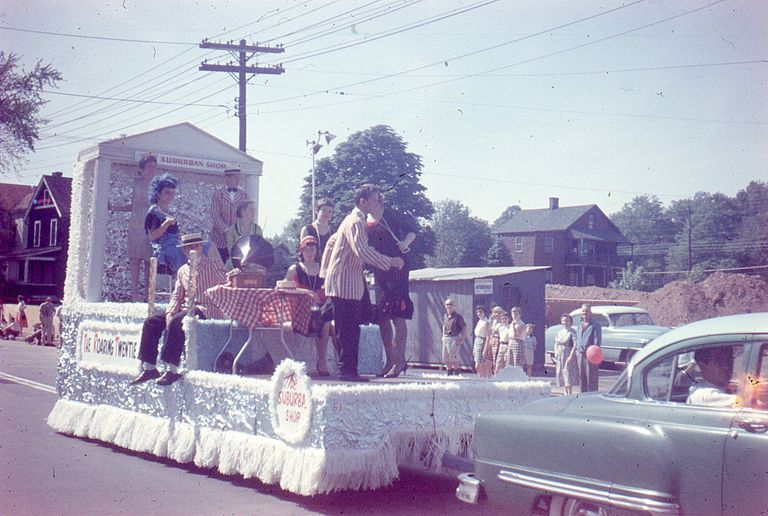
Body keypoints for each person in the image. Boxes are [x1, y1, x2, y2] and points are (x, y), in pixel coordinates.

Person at [319, 184, 404, 382]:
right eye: (375, 200)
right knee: (348, 327)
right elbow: (362, 251)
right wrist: (390, 262)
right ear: (363, 202)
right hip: (345, 281)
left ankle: (347, 368)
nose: (379, 203)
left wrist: (325, 273)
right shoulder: (356, 222)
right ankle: (346, 371)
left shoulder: (353, 220)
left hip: (349, 281)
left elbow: (332, 242)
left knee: (354, 322)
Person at [129, 233, 226, 386]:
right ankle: (149, 367)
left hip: (206, 308)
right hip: (185, 307)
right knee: (152, 321)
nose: (192, 250)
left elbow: (225, 282)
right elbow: (176, 295)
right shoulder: (182, 270)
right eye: (189, 247)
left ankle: (172, 369)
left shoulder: (212, 264)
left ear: (201, 247)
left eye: (195, 246)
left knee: (177, 321)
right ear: (184, 250)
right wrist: (169, 312)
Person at [366, 204, 416, 378]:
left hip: (398, 266)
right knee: (382, 315)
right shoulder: (364, 219)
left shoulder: (390, 213)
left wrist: (405, 243)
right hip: (380, 268)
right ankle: (390, 359)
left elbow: (412, 230)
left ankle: (401, 359)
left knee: (397, 313)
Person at [284, 235, 333, 377]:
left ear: (317, 251)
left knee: (333, 323)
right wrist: (306, 293)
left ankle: (342, 365)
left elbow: (331, 290)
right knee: (325, 321)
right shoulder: (295, 269)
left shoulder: (324, 268)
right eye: (307, 249)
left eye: (313, 249)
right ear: (301, 251)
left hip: (322, 310)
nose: (310, 252)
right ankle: (322, 361)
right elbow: (284, 288)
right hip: (302, 313)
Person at [110, 154, 157, 301]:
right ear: (142, 168)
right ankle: (134, 296)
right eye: (149, 166)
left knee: (149, 262)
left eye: (154, 167)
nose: (152, 170)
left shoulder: (157, 186)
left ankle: (149, 298)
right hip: (136, 226)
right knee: (135, 260)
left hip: (151, 227)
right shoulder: (135, 184)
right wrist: (115, 207)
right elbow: (132, 205)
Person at [145, 173, 186, 274]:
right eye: (167, 192)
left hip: (174, 246)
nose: (171, 196)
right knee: (182, 256)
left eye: (173, 193)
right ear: (158, 193)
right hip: (163, 249)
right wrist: (166, 224)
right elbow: (152, 237)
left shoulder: (170, 211)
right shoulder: (154, 212)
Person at [211, 167, 248, 264]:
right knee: (219, 265)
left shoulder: (243, 195)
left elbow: (246, 215)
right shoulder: (218, 194)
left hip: (237, 239)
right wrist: (226, 231)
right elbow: (215, 215)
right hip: (220, 240)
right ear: (227, 178)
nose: (237, 180)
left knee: (235, 267)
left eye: (238, 177)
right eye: (234, 177)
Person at [224, 200, 263, 270]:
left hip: (253, 264)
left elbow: (260, 248)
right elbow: (231, 249)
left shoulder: (257, 229)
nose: (254, 212)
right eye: (251, 209)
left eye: (255, 210)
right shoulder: (232, 230)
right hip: (234, 264)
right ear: (243, 211)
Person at [575, 304, 602, 392]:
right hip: (580, 354)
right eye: (583, 311)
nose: (584, 313)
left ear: (590, 312)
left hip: (590, 355)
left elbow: (597, 341)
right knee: (581, 377)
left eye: (586, 311)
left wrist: (593, 354)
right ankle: (582, 397)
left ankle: (592, 397)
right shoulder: (579, 324)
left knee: (591, 378)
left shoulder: (595, 325)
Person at [554, 314, 579, 395]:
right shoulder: (560, 332)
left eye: (567, 321)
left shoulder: (573, 332)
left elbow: (575, 344)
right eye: (563, 321)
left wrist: (571, 356)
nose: (565, 322)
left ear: (570, 322)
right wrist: (556, 352)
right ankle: (565, 392)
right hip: (560, 354)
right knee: (561, 372)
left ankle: (569, 393)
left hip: (568, 353)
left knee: (568, 372)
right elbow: (556, 343)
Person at [442, 298, 467, 376]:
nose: (448, 306)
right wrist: (443, 336)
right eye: (447, 304)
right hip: (446, 338)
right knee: (446, 358)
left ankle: (457, 375)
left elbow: (464, 327)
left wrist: (462, 338)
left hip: (454, 339)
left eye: (450, 304)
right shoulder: (445, 315)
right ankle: (449, 374)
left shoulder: (458, 317)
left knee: (454, 359)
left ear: (454, 306)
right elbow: (444, 326)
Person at [472, 306, 490, 371]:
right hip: (477, 341)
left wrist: (485, 349)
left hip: (483, 342)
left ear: (484, 312)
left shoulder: (486, 322)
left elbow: (488, 336)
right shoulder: (479, 321)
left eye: (480, 312)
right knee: (476, 363)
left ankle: (482, 378)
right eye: (477, 312)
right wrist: (474, 348)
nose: (479, 313)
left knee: (480, 364)